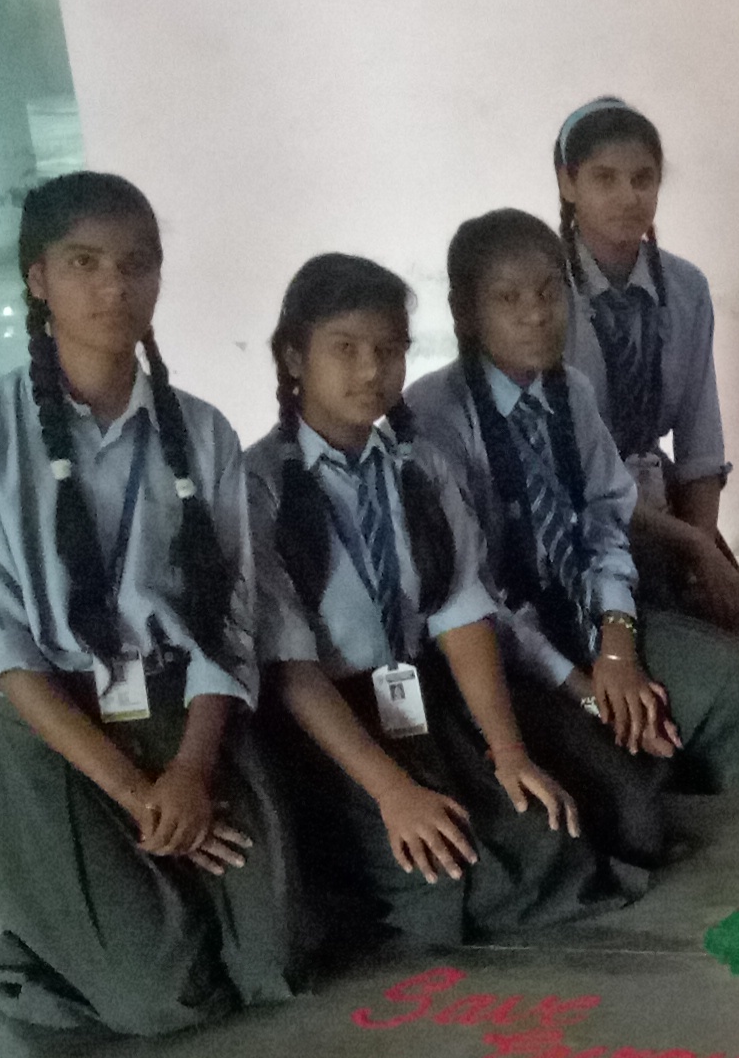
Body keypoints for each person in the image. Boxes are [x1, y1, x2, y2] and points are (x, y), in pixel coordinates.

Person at [0, 171, 302, 1036]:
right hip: (61, 726)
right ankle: (37, 929)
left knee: (274, 964)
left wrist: (191, 772)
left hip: (181, 710)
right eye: (84, 263)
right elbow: (2, 652)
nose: (114, 288)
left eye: (137, 264)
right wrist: (137, 792)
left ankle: (115, 898)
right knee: (163, 998)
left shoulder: (201, 431)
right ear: (38, 278)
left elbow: (231, 621)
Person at [244, 253, 607, 951]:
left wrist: (508, 753)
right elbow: (290, 667)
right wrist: (392, 793)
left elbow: (462, 612)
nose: (371, 371)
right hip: (330, 726)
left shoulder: (421, 467)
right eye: (345, 349)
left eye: (390, 350)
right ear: (293, 357)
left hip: (417, 699)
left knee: (557, 841)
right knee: (450, 881)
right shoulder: (257, 487)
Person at [403, 206, 680, 890]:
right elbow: (472, 596)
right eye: (508, 299)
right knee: (637, 825)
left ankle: (646, 752)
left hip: (581, 616)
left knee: (725, 690)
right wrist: (582, 686)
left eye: (550, 292)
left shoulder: (572, 392)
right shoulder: (435, 417)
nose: (536, 315)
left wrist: (617, 646)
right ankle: (619, 758)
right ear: (465, 312)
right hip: (504, 651)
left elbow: (606, 522)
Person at [553, 96, 739, 791]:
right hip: (579, 522)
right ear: (567, 183)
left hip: (663, 508)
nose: (629, 196)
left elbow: (700, 437)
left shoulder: (684, 287)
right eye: (604, 178)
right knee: (712, 681)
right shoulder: (542, 295)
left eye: (643, 178)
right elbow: (573, 472)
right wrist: (692, 546)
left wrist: (701, 548)